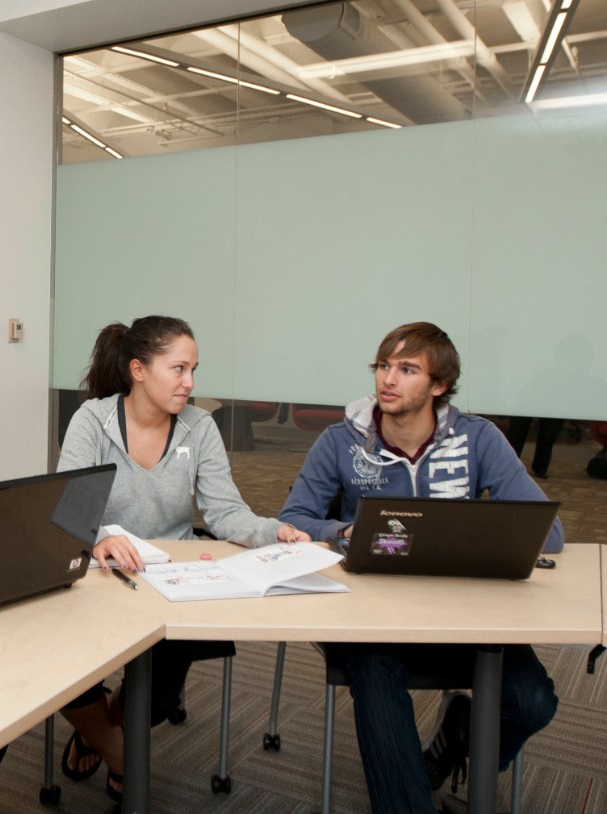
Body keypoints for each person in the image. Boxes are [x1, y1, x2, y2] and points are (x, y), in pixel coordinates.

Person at [279, 321, 562, 814]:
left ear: (438, 386)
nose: (388, 379)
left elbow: (547, 532)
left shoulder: (479, 439)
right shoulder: (340, 442)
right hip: (370, 617)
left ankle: (456, 737)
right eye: (384, 366)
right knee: (379, 691)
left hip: (467, 613)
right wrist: (344, 532)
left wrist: (467, 532)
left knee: (533, 700)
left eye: (407, 369)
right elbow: (296, 518)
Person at [57, 315, 309, 803]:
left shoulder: (200, 426)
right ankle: (116, 750)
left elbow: (225, 511)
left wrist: (271, 531)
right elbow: (72, 505)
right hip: (101, 572)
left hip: (169, 580)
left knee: (155, 699)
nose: (189, 383)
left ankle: (100, 732)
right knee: (65, 667)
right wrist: (104, 534)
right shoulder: (93, 420)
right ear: (138, 370)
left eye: (193, 369)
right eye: (178, 369)